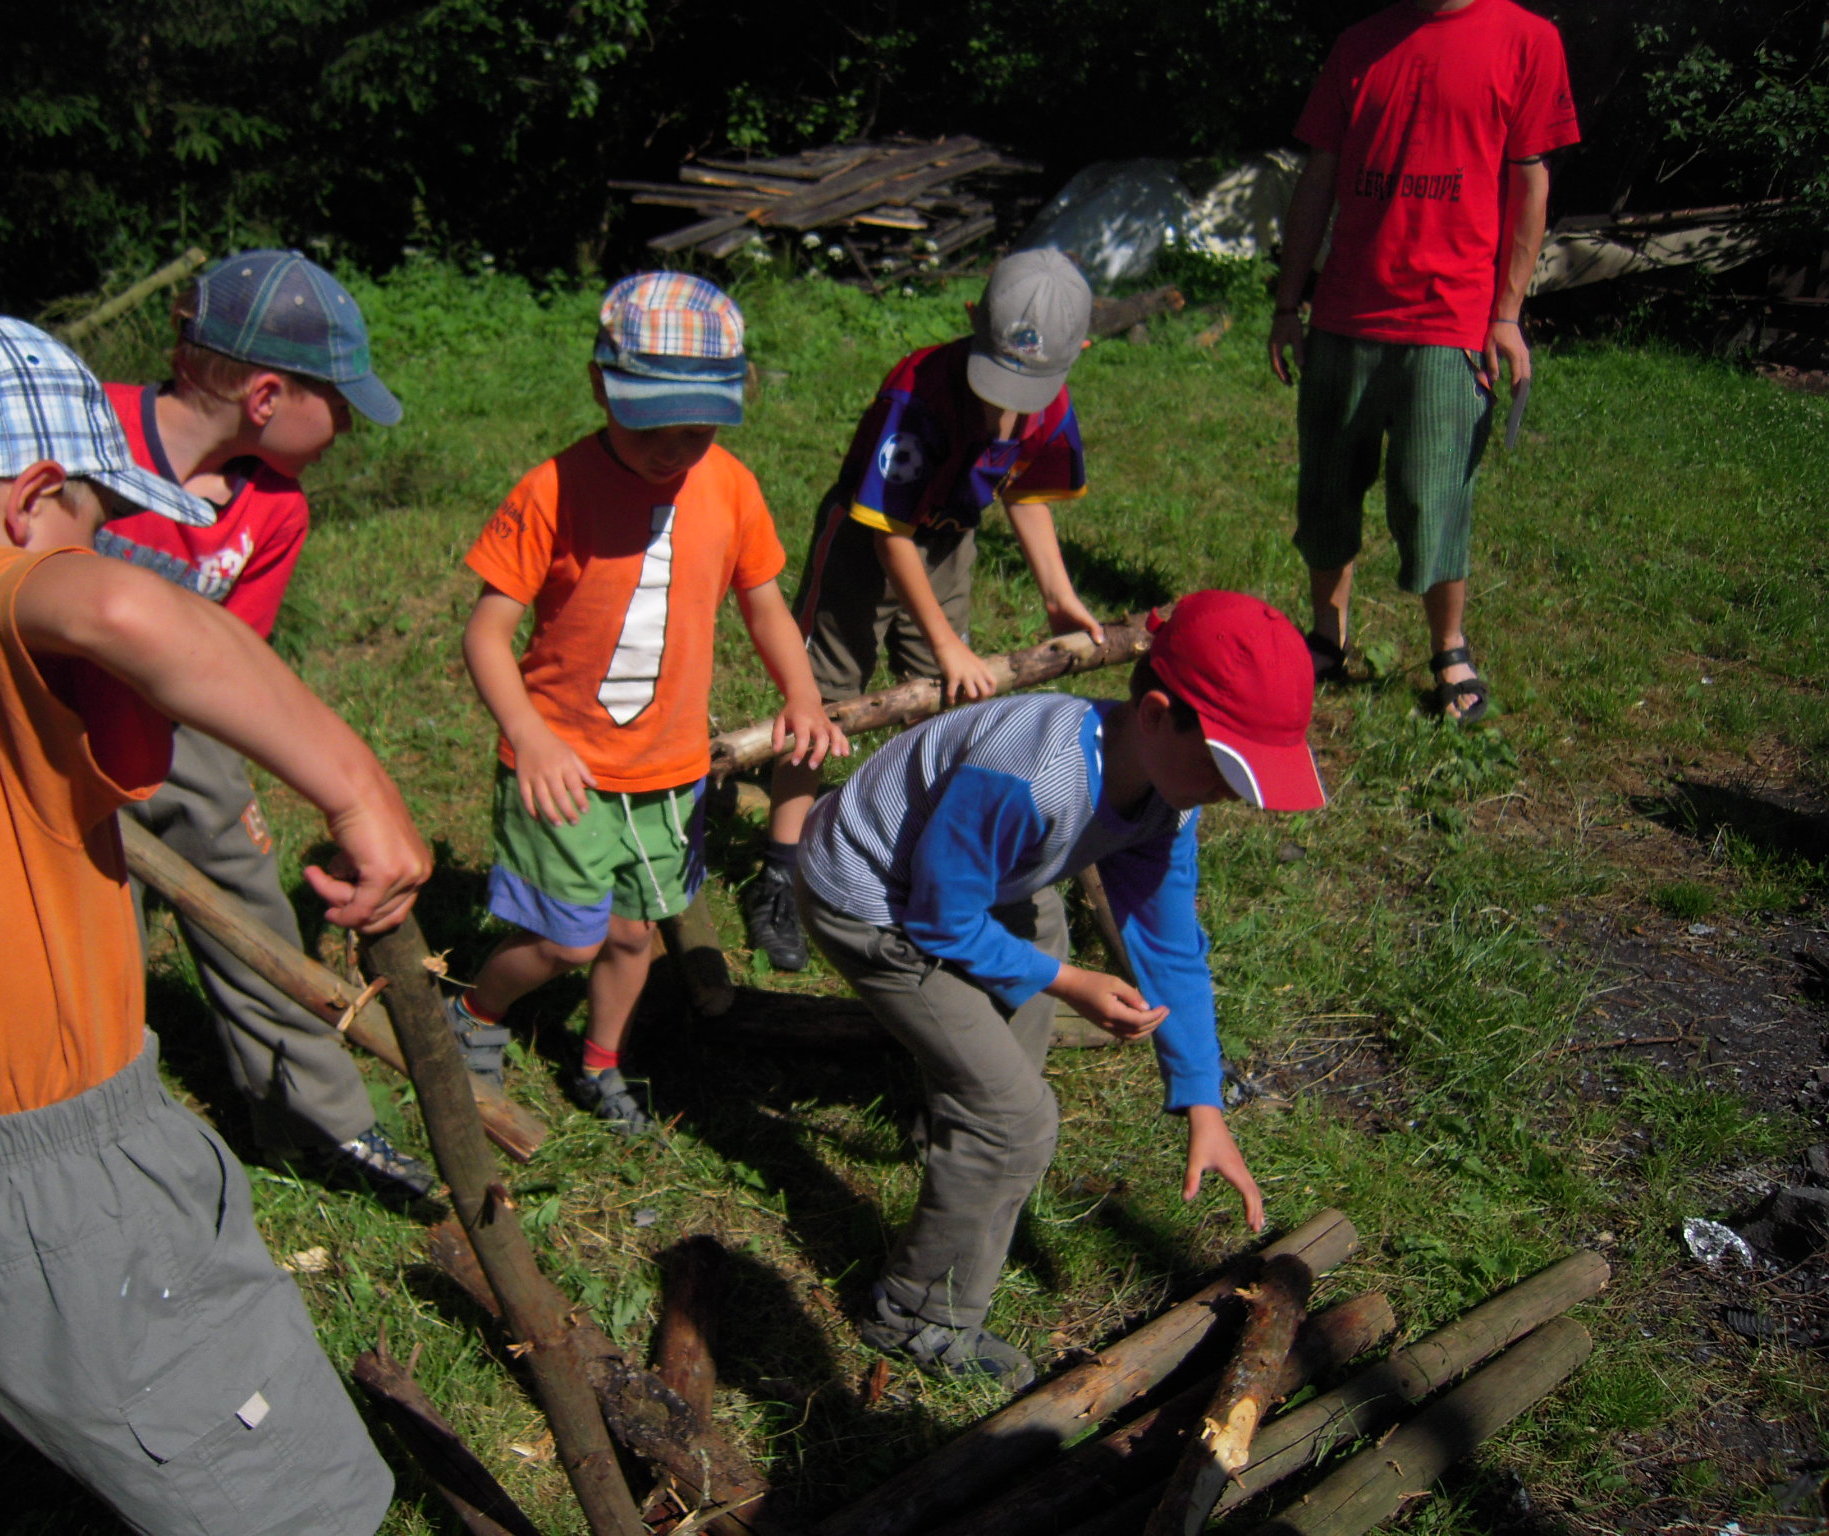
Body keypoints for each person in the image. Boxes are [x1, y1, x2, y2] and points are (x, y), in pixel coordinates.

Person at [0, 308, 428, 1535]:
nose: (96, 551)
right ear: (34, 501)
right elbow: (124, 614)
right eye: (94, 520)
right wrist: (359, 793)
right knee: (294, 1507)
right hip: (65, 1194)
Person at [795, 591, 1325, 1390]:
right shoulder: (1031, 778)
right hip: (873, 899)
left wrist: (1203, 1101)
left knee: (1034, 968)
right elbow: (938, 918)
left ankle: (963, 1127)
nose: (1233, 795)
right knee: (1016, 1120)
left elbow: (1169, 946)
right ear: (1157, 716)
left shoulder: (1167, 794)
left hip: (980, 881)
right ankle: (915, 1315)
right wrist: (1072, 983)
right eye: (1226, 768)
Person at [455, 272, 845, 1131]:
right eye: (650, 426)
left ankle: (601, 1063)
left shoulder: (730, 486)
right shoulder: (552, 489)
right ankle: (478, 1009)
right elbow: (486, 633)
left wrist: (803, 694)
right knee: (566, 939)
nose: (672, 450)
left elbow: (764, 603)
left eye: (696, 429)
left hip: (668, 769)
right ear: (601, 386)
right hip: (563, 764)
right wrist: (528, 733)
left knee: (634, 934)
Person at [96, 249, 431, 1198]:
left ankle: (316, 1121)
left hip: (182, 736)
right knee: (87, 938)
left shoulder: (273, 509)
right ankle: (99, 1127)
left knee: (250, 905)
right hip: (49, 737)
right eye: (340, 404)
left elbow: (234, 662)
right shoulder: (87, 431)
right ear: (268, 396)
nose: (348, 428)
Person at [746, 247, 1103, 971]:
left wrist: (1058, 595)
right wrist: (945, 642)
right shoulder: (918, 395)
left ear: (1081, 354)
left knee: (947, 705)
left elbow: (1025, 492)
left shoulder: (1051, 404)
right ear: (971, 319)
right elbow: (890, 535)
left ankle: (922, 857)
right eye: (996, 379)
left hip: (947, 543)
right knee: (821, 703)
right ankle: (779, 872)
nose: (1007, 403)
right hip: (865, 541)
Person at [1267, 0, 1579, 723]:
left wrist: (1507, 314)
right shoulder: (1360, 44)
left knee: (1430, 497)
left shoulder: (1527, 41)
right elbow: (1318, 176)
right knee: (1326, 491)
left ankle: (1449, 648)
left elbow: (1529, 183)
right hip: (1345, 314)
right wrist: (1288, 303)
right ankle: (1326, 637)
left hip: (1450, 319)